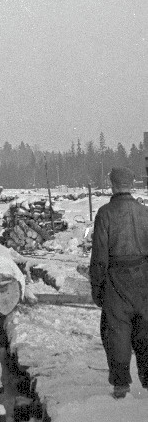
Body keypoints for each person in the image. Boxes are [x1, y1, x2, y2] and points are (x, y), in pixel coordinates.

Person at [89, 166, 148, 399]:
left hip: (116, 280)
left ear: (112, 185)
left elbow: (99, 257)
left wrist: (97, 287)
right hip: (144, 280)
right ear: (131, 185)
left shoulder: (105, 213)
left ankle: (121, 387)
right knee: (145, 331)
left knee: (117, 332)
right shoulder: (145, 212)